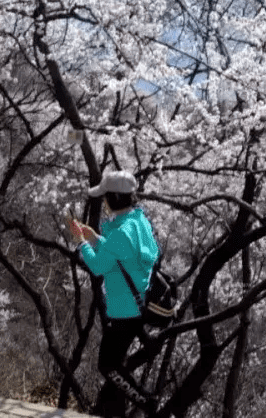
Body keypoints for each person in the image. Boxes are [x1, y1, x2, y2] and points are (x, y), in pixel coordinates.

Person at [67, 170, 160, 417]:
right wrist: (95, 237)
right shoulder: (138, 221)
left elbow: (98, 266)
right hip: (138, 303)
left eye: (106, 197)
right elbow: (122, 253)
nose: (104, 202)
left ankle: (147, 402)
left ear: (114, 199)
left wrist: (81, 242)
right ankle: (121, 409)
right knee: (115, 364)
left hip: (125, 310)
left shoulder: (120, 232)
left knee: (107, 366)